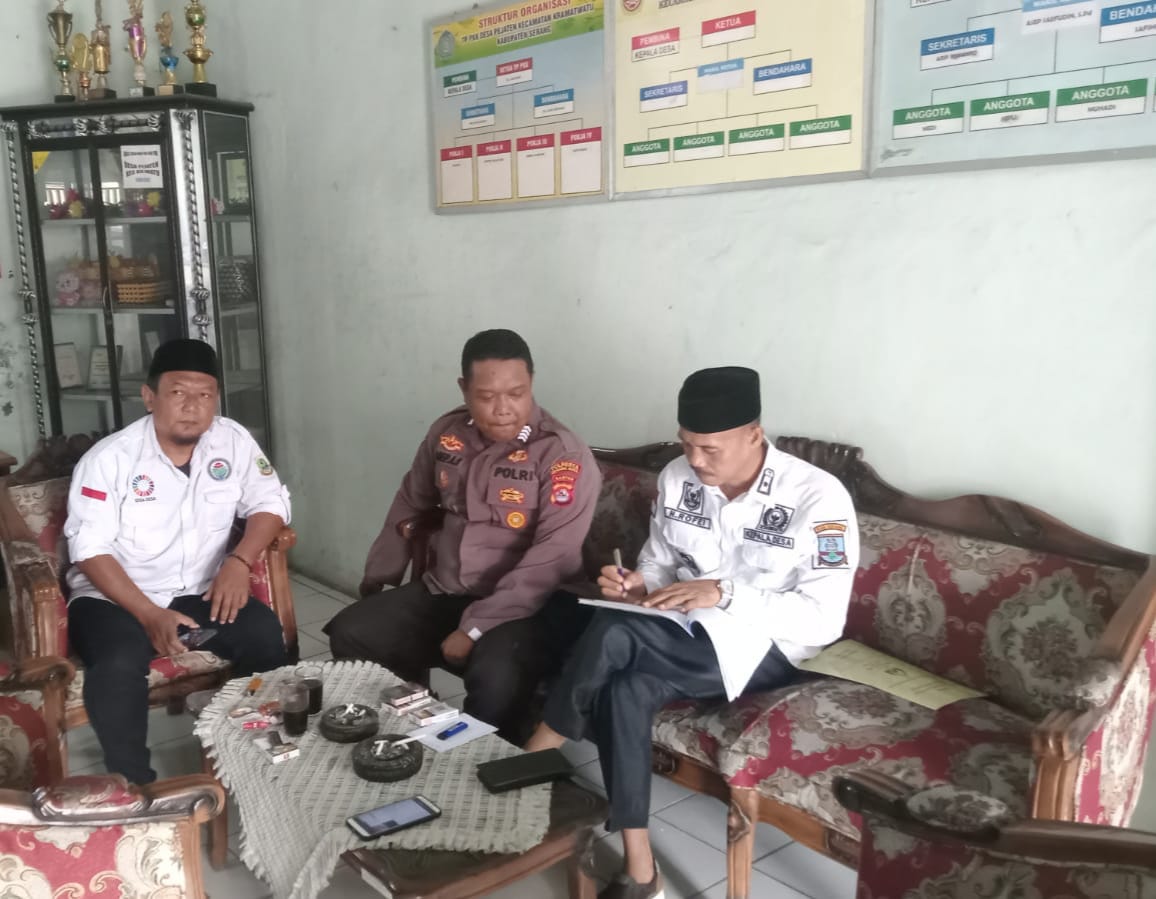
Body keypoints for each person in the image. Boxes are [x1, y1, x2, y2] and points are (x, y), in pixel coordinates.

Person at [524, 366, 859, 899]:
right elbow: (659, 564)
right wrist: (638, 584)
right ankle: (641, 870)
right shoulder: (678, 477)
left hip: (771, 648)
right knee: (624, 686)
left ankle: (539, 749)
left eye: (709, 449)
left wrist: (724, 593)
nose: (695, 460)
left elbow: (822, 621)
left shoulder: (818, 499)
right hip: (683, 629)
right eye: (686, 444)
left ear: (754, 434)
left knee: (614, 634)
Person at [325, 329, 600, 742]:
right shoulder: (448, 435)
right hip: (447, 589)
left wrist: (474, 628)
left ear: (531, 384)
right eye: (487, 396)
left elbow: (554, 556)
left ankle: (487, 762)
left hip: (523, 607)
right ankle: (413, 725)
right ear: (464, 389)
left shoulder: (561, 455)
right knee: (354, 631)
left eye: (517, 393)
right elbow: (411, 500)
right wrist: (380, 574)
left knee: (496, 677)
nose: (503, 409)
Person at [64, 338, 290, 784]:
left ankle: (249, 753)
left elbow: (271, 502)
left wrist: (239, 561)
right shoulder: (110, 459)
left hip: (199, 589)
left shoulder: (232, 440)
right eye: (178, 392)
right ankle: (134, 786)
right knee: (117, 664)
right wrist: (148, 614)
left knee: (263, 635)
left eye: (204, 394)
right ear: (150, 397)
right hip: (115, 597)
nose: (192, 406)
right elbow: (89, 549)